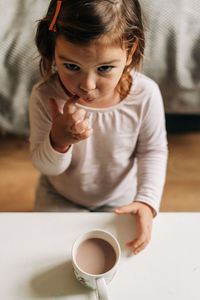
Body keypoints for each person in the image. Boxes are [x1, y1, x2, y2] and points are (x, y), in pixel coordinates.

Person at [29, 0, 168, 255]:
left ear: (130, 50)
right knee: (45, 256)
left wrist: (146, 202)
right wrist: (58, 141)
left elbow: (153, 151)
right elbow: (45, 166)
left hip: (119, 199)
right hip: (60, 197)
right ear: (53, 51)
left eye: (104, 68)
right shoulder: (45, 97)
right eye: (71, 67)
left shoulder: (145, 95)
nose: (87, 85)